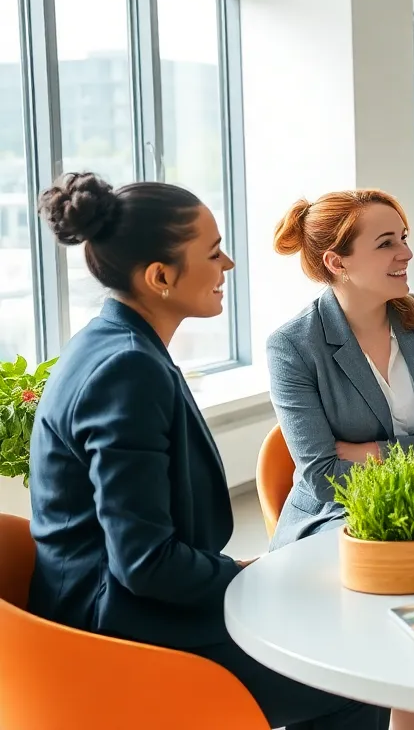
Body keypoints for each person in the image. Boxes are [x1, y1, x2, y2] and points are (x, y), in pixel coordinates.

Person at [26, 173, 389, 730]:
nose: (229, 266)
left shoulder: (115, 344)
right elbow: (145, 565)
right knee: (353, 667)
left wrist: (244, 569)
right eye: (214, 252)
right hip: (115, 634)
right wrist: (253, 578)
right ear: (160, 276)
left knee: (339, 623)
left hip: (111, 603)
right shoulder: (127, 370)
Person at [267, 189, 414, 550]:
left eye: (403, 238)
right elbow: (325, 479)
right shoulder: (293, 346)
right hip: (339, 519)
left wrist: (374, 452)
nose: (407, 253)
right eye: (386, 244)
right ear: (337, 263)